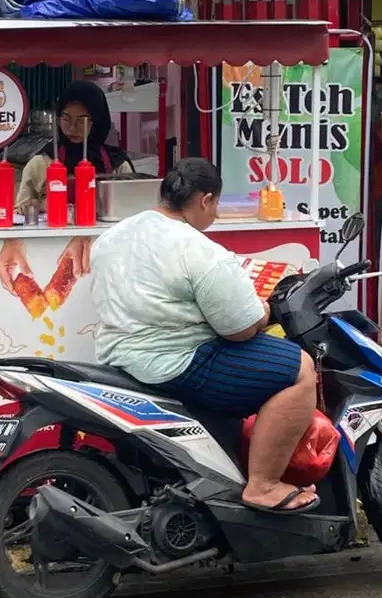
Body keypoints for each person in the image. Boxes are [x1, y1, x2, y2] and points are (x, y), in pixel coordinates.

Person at [89, 157, 319, 514]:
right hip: (175, 362)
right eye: (217, 206)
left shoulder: (113, 236)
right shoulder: (199, 251)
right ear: (206, 200)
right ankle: (263, 485)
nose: (215, 214)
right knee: (301, 370)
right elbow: (240, 330)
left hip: (118, 356)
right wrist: (263, 311)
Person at [14, 80, 133, 214]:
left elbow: (132, 209)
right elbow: (20, 212)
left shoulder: (118, 165)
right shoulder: (41, 163)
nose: (72, 128)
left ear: (98, 121)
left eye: (81, 121)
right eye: (66, 119)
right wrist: (39, 206)